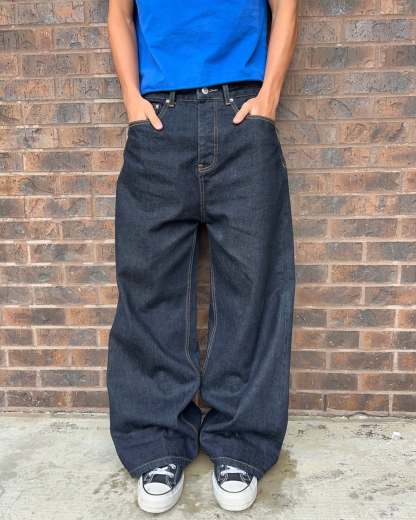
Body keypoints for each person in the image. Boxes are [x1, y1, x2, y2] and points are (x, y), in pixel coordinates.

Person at [107, 0, 298, 513]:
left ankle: (240, 446)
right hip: (158, 120)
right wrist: (131, 98)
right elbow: (120, 14)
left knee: (253, 287)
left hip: (243, 115)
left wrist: (269, 97)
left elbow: (286, 7)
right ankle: (156, 444)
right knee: (149, 287)